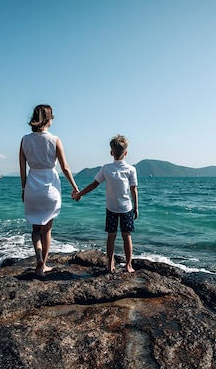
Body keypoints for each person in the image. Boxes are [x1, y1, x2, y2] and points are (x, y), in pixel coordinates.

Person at [20, 104, 80, 276]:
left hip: (32, 187)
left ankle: (38, 257)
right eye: (52, 116)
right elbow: (65, 167)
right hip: (50, 188)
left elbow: (22, 168)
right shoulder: (54, 140)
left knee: (35, 230)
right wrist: (75, 188)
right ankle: (43, 265)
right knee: (47, 229)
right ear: (47, 119)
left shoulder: (25, 140)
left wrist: (24, 188)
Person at [73, 135, 138, 273]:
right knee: (127, 236)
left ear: (111, 153)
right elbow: (134, 190)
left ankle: (110, 264)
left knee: (111, 236)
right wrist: (136, 208)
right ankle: (128, 265)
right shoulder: (131, 169)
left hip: (111, 208)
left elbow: (94, 184)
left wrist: (80, 194)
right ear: (126, 153)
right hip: (127, 208)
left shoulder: (106, 168)